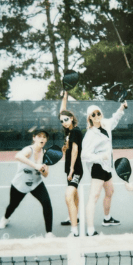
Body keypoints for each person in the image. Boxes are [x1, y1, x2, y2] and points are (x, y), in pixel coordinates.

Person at [0, 129, 54, 237]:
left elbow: (46, 174)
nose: (42, 139)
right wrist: (35, 165)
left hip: (36, 183)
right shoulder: (28, 150)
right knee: (13, 205)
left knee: (46, 203)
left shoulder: (46, 154)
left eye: (44, 137)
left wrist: (42, 170)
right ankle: (5, 218)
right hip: (20, 184)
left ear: (46, 140)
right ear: (34, 138)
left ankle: (49, 233)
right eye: (39, 136)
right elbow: (18, 156)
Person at [81, 100, 127, 236]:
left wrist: (121, 108)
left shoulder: (106, 124)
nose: (96, 116)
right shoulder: (90, 134)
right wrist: (101, 157)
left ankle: (107, 219)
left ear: (101, 114)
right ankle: (90, 230)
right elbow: (84, 155)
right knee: (94, 196)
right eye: (93, 115)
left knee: (110, 192)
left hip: (107, 166)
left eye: (98, 113)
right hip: (98, 167)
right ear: (89, 118)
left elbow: (115, 119)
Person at [58, 92, 85, 237]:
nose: (64, 122)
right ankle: (74, 216)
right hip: (69, 168)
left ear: (72, 118)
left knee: (69, 195)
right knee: (74, 194)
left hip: (75, 169)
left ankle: (74, 229)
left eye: (66, 119)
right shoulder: (68, 131)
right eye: (62, 121)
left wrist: (72, 169)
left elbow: (75, 151)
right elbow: (62, 112)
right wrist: (64, 98)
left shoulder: (75, 131)